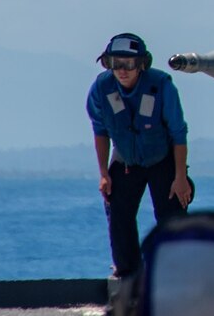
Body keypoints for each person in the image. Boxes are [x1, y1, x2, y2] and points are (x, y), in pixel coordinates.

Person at [86, 32, 193, 278]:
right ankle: (128, 272)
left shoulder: (162, 85)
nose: (122, 71)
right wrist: (104, 174)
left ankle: (175, 272)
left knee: (172, 217)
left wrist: (180, 177)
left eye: (129, 64)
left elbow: (178, 133)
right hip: (125, 162)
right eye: (116, 64)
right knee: (119, 214)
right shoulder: (102, 88)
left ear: (142, 64)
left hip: (162, 160)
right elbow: (100, 131)